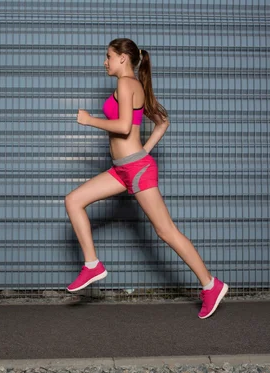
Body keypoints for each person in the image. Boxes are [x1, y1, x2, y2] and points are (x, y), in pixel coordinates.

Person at [65, 38, 228, 319]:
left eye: (108, 56)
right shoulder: (136, 86)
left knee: (166, 232)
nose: (105, 62)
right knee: (74, 200)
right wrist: (143, 151)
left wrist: (89, 120)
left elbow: (124, 126)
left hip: (135, 169)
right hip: (123, 168)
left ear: (123, 59)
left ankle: (211, 285)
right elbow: (162, 122)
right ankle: (92, 264)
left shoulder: (126, 84)